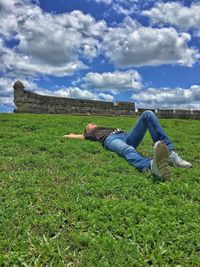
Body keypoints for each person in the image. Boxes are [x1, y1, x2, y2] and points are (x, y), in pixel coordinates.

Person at [63, 111, 192, 180]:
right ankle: (150, 166)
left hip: (125, 136)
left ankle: (171, 155)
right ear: (87, 130)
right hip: (110, 139)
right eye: (90, 124)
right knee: (127, 149)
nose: (93, 124)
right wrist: (71, 135)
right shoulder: (90, 133)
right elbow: (75, 136)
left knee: (147, 114)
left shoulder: (101, 127)